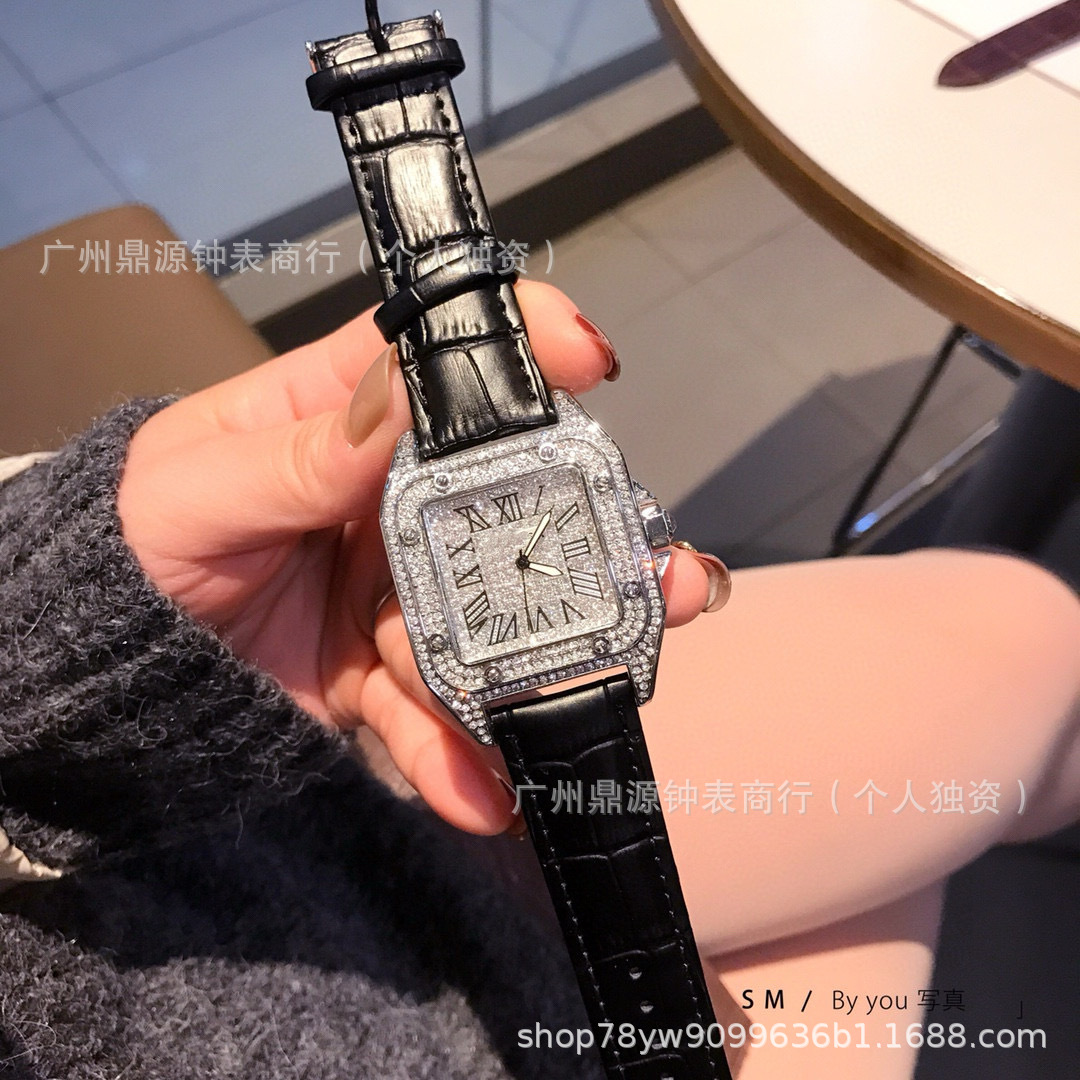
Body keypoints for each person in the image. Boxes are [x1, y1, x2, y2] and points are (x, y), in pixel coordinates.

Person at [1, 282, 1077, 1079]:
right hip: (418, 1000)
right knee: (974, 741)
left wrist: (49, 662)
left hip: (273, 815)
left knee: (1023, 639)